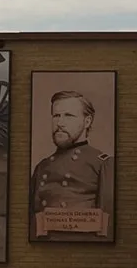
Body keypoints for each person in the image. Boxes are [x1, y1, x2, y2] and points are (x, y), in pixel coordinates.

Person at [29, 90, 112, 236]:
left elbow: (107, 226)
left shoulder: (102, 163)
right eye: (56, 116)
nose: (60, 123)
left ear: (87, 121)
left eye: (69, 116)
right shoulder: (42, 167)